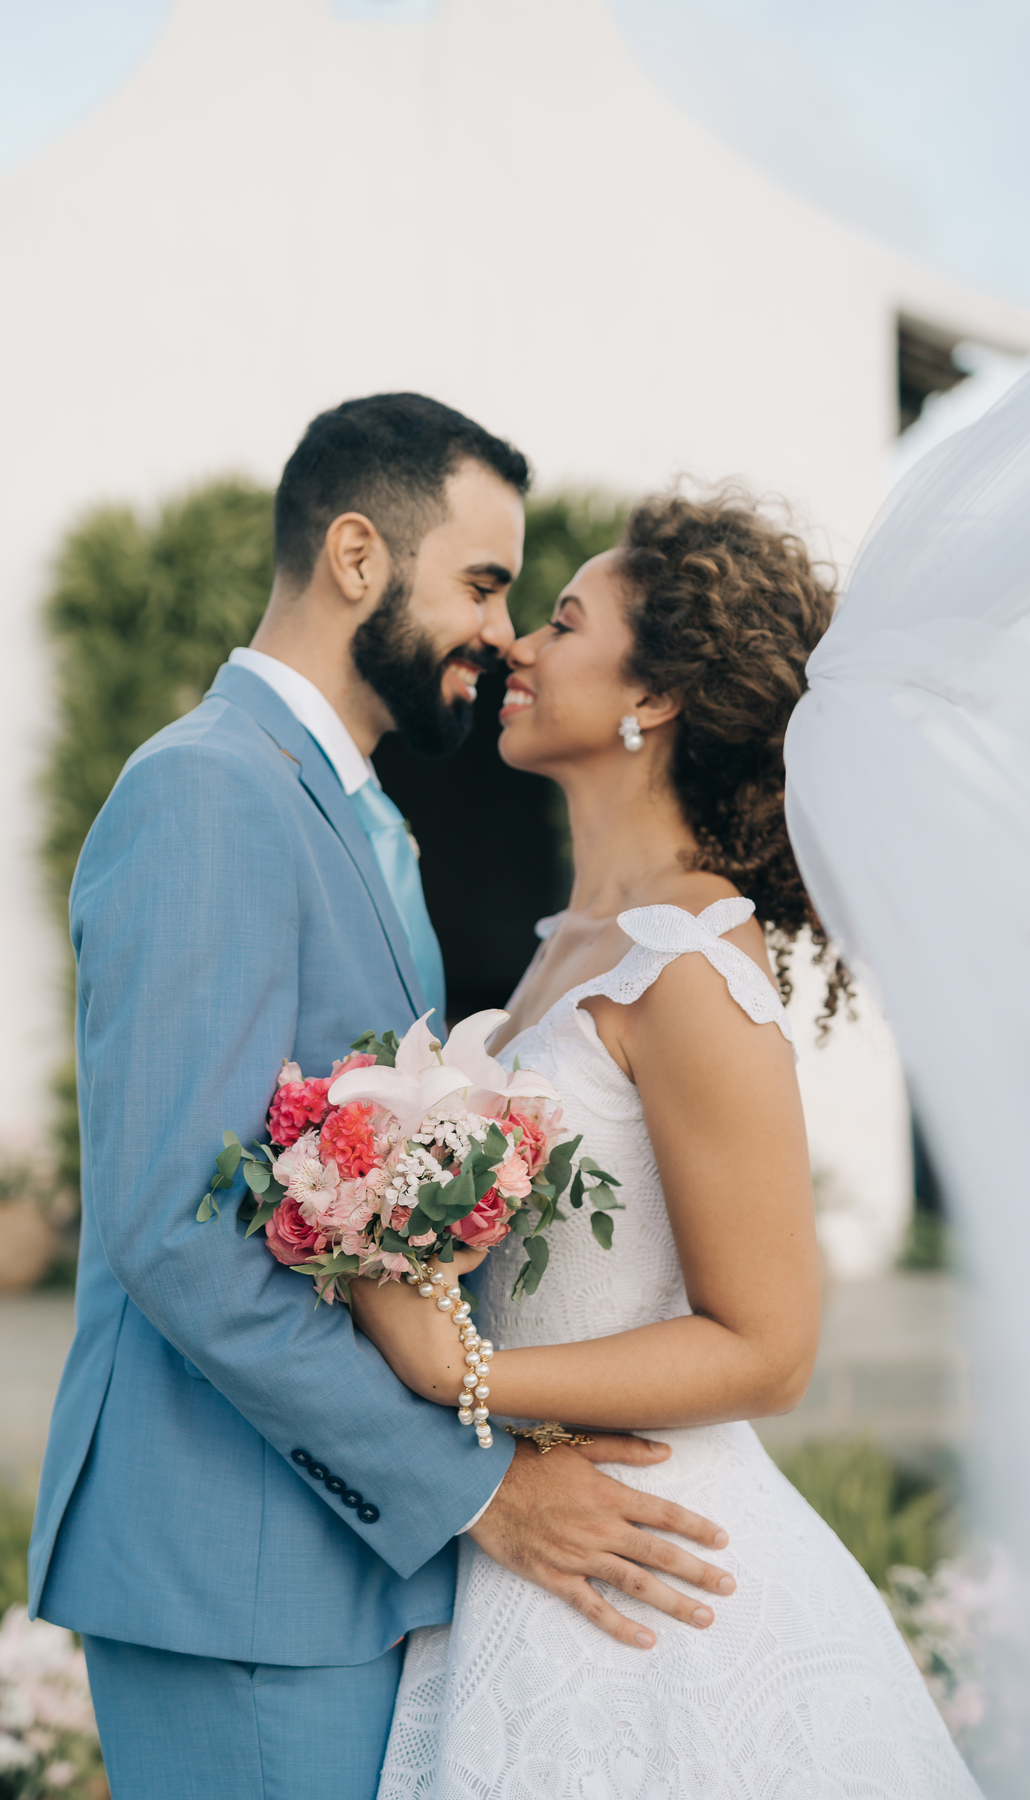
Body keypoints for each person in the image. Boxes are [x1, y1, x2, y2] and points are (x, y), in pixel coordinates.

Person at [28, 395, 732, 1800]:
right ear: (358, 555)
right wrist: (474, 1490)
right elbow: (178, 1228)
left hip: (323, 1565)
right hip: (236, 1573)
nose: (502, 628)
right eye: (481, 582)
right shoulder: (209, 794)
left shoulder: (358, 812)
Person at [355, 492, 980, 1797]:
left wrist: (454, 1369)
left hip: (659, 1575)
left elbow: (770, 1345)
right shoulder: (567, 947)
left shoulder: (691, 962)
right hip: (539, 1545)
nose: (521, 644)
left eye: (566, 622)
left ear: (659, 700)